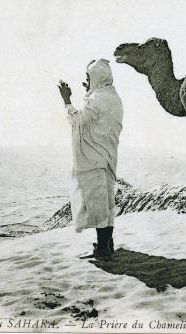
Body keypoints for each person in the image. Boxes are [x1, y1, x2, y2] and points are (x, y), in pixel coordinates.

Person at [57, 59, 123, 260]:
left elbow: (78, 122)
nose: (86, 81)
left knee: (97, 203)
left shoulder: (97, 99)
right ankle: (107, 245)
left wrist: (67, 101)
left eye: (88, 78)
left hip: (93, 159)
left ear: (97, 77)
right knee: (107, 202)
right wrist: (90, 92)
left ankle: (102, 249)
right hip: (108, 157)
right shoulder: (113, 97)